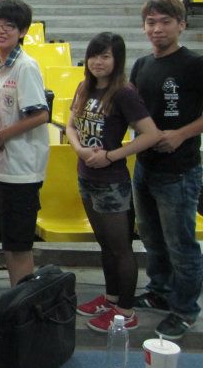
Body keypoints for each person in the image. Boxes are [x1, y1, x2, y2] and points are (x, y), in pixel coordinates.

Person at [66, 32, 160, 333]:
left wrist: (111, 155)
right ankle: (111, 299)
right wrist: (80, 150)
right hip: (86, 175)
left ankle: (125, 311)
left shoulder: (124, 93)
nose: (98, 62)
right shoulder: (85, 87)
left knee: (120, 248)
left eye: (105, 56)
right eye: (94, 55)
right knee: (105, 245)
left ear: (117, 60)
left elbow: (151, 134)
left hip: (111, 181)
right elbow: (70, 126)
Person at [130, 0, 203, 340]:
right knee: (151, 237)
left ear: (181, 25)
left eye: (165, 22)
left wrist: (181, 134)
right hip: (145, 164)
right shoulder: (142, 65)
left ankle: (185, 309)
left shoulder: (194, 64)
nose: (157, 29)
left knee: (180, 244)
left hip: (180, 169)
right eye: (151, 22)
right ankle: (160, 290)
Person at [0, 0, 50, 320]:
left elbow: (41, 115)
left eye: (9, 25)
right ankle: (15, 299)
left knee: (19, 245)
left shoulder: (26, 67)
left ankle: (24, 311)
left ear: (22, 31)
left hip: (21, 171)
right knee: (8, 242)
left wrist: (2, 135)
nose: (0, 30)